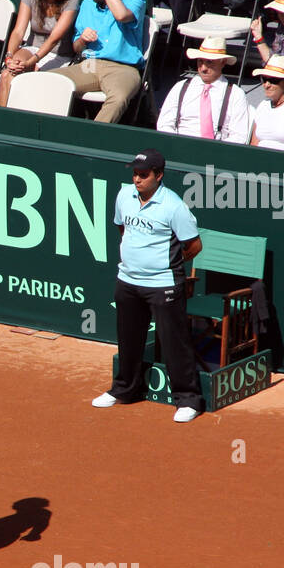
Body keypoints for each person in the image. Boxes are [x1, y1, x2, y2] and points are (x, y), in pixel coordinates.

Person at [92, 148, 205, 423]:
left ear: (159, 175)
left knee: (174, 342)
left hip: (164, 284)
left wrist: (165, 263)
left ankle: (188, 399)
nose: (137, 180)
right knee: (128, 339)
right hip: (128, 280)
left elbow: (194, 245)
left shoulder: (173, 206)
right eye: (135, 174)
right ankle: (124, 390)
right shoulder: (123, 196)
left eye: (144, 175)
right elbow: (123, 229)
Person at [54, 0, 147, 123]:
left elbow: (121, 16)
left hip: (124, 68)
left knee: (118, 99)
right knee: (46, 81)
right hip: (90, 64)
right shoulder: (87, 4)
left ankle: (91, 140)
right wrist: (82, 39)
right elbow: (76, 48)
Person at [0, 0, 78, 106]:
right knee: (7, 74)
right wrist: (9, 58)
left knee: (34, 79)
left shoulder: (72, 0)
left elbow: (54, 39)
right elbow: (18, 32)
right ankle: (4, 118)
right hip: (32, 48)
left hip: (58, 55)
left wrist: (31, 62)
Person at [156, 35, 251, 141]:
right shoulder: (181, 87)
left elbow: (239, 136)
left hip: (216, 151)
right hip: (179, 145)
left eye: (209, 62)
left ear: (223, 62)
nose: (203, 68)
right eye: (200, 61)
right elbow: (164, 124)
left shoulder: (235, 94)